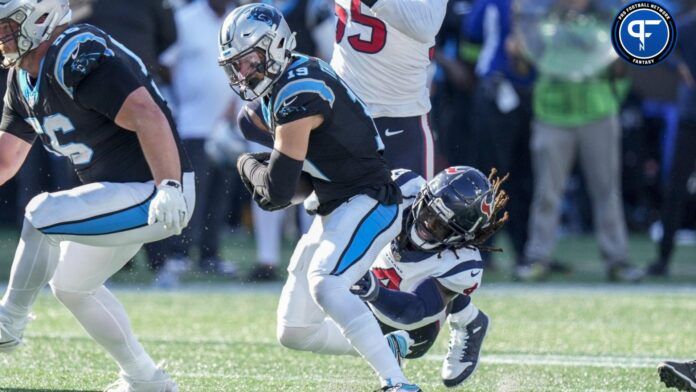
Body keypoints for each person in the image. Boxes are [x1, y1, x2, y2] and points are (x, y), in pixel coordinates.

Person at [221, 4, 418, 391]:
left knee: (326, 284)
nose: (243, 74)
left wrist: (244, 162)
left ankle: (396, 383)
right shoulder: (279, 86)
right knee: (294, 331)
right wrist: (271, 175)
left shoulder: (299, 91)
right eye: (235, 66)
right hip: (335, 204)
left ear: (275, 47)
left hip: (370, 200)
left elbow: (276, 193)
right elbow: (297, 185)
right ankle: (386, 345)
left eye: (250, 61)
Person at [0, 0, 194, 390]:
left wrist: (169, 186)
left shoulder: (75, 52)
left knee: (42, 212)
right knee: (70, 283)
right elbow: (6, 158)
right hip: (116, 194)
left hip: (154, 191)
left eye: (7, 25)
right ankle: (145, 379)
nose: (1, 35)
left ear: (40, 16)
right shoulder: (22, 77)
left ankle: (8, 322)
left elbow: (146, 113)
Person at [348, 166, 508, 387]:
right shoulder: (403, 188)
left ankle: (468, 321)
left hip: (412, 322)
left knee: (398, 335)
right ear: (423, 196)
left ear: (461, 237)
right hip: (378, 278)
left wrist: (374, 291)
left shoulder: (461, 263)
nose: (427, 226)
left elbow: (414, 310)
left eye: (442, 227)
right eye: (429, 212)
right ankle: (469, 316)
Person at [331, 0, 447, 180]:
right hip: (344, 111)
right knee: (333, 206)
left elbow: (425, 24)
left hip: (400, 117)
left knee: (409, 205)